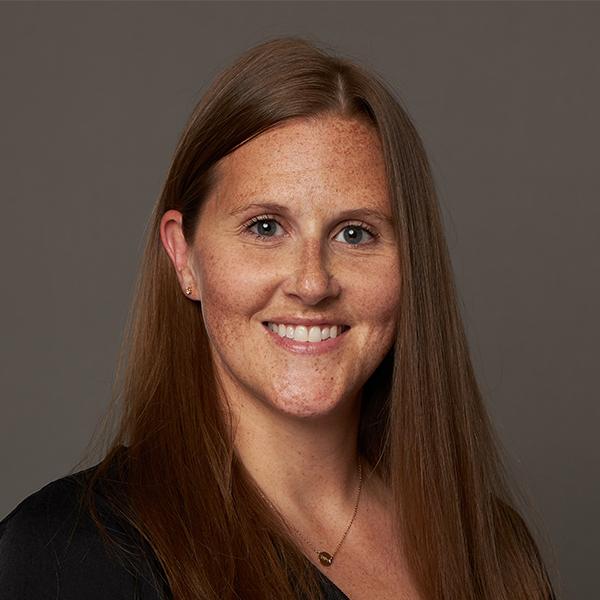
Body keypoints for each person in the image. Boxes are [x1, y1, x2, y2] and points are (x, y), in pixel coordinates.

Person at [0, 36, 557, 600]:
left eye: (355, 233)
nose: (312, 283)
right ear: (184, 256)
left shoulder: (493, 550)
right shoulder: (71, 554)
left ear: (413, 264)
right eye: (265, 227)